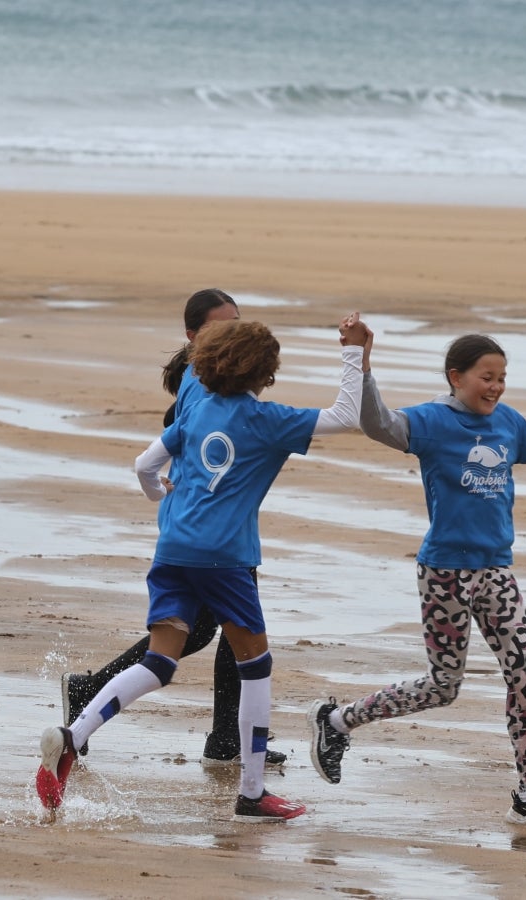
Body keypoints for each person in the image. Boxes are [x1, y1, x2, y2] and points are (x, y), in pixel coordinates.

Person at [306, 331, 526, 827]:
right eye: (486, 377)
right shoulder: (432, 423)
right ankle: (337, 721)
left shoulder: (507, 424)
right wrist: (362, 367)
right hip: (444, 575)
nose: (496, 387)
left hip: (495, 570)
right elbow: (378, 423)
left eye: (502, 378)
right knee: (443, 686)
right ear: (457, 378)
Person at [39, 313, 372, 823]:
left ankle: (72, 736)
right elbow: (348, 414)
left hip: (172, 551)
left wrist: (163, 497)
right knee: (255, 668)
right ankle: (253, 793)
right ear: (264, 373)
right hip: (225, 559)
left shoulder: (194, 412)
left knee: (159, 662)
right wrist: (354, 352)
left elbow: (144, 466)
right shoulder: (268, 419)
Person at [59, 288, 288, 770]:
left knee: (207, 630)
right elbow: (172, 442)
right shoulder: (200, 380)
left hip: (203, 522)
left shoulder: (207, 375)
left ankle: (223, 736)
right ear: (192, 337)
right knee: (219, 632)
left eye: (236, 323)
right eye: (219, 327)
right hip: (205, 527)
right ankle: (226, 740)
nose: (231, 333)